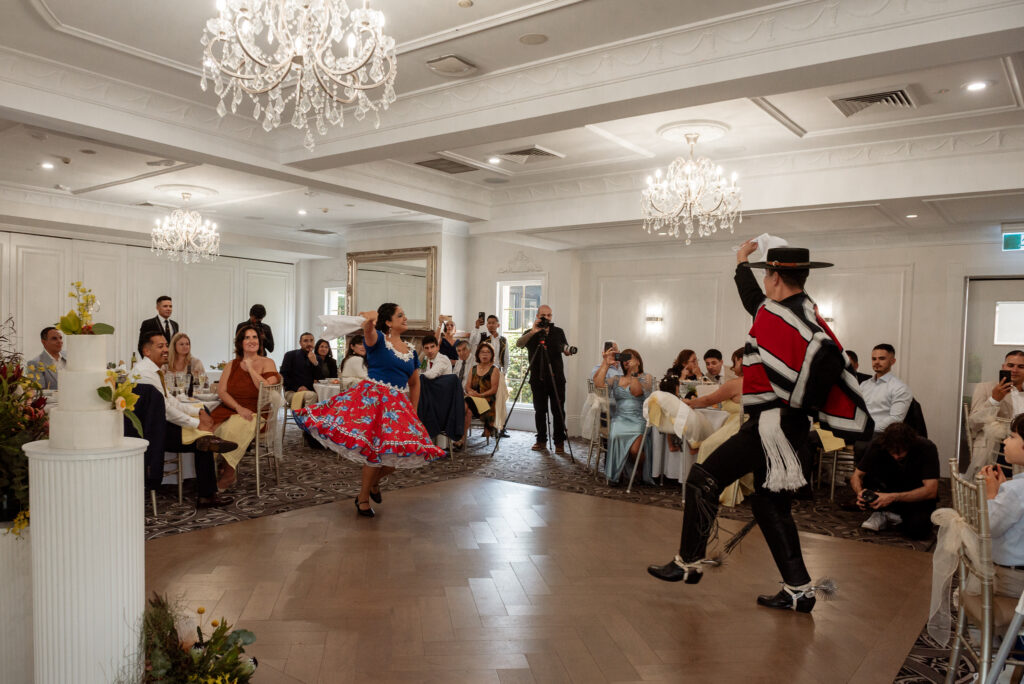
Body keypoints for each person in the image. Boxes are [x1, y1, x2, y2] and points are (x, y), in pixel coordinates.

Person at [648, 243, 872, 614]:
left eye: (765, 274)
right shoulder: (802, 313)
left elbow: (825, 361)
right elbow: (753, 300)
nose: (763, 282)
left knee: (703, 478)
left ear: (775, 277)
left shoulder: (782, 316)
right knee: (770, 505)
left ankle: (688, 561)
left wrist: (796, 398)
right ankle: (799, 590)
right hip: (788, 427)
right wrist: (741, 263)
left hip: (772, 426)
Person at [295, 303, 445, 517]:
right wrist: (370, 318)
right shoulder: (378, 340)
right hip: (372, 401)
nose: (405, 318)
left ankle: (373, 484)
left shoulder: (411, 351)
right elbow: (368, 328)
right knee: (374, 453)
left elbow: (414, 383)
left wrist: (413, 411)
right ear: (388, 322)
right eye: (400, 315)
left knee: (395, 458)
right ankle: (363, 498)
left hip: (396, 407)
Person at [135, 331, 237, 507]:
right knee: (203, 440)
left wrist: (198, 412)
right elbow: (166, 411)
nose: (165, 349)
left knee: (203, 436)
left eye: (166, 345)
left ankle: (207, 487)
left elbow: (170, 401)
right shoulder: (145, 374)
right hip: (152, 433)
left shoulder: (153, 371)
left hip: (159, 425)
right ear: (147, 351)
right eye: (160, 346)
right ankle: (207, 494)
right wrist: (197, 423)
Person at [200, 325, 282, 491]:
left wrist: (250, 368)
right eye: (247, 338)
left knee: (234, 427)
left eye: (254, 337)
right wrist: (238, 408)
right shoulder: (232, 365)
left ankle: (228, 473)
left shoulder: (267, 362)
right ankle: (206, 472)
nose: (251, 341)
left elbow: (265, 388)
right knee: (205, 429)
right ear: (240, 343)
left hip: (257, 412)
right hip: (231, 408)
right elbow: (222, 392)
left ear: (260, 341)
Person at [850, 423, 939, 539]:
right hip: (886, 489)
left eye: (900, 451)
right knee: (871, 472)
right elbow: (856, 476)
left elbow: (931, 491)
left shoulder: (926, 447)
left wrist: (893, 497)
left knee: (918, 530)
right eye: (892, 451)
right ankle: (883, 513)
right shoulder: (878, 444)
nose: (896, 456)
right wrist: (860, 493)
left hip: (914, 495)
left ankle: (896, 515)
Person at [688, 348, 749, 506]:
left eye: (734, 362)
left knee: (708, 445)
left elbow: (708, 400)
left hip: (738, 424)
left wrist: (689, 403)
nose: (732, 367)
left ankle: (708, 488)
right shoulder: (760, 381)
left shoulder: (735, 383)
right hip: (750, 424)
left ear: (741, 362)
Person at [515, 305, 572, 454]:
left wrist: (567, 350)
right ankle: (541, 440)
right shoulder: (531, 332)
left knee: (558, 410)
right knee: (540, 410)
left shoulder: (558, 332)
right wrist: (533, 332)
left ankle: (559, 442)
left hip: (556, 377)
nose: (546, 318)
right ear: (537, 316)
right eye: (543, 315)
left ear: (551, 316)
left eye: (549, 315)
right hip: (537, 378)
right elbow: (519, 344)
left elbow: (565, 348)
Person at [595, 347, 655, 486]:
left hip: (638, 419)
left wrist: (634, 373)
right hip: (620, 419)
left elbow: (635, 392)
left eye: (630, 357)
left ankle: (639, 470)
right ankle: (617, 473)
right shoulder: (616, 378)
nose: (626, 361)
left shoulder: (646, 377)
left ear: (638, 361)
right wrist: (606, 363)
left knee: (635, 451)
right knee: (615, 434)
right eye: (624, 358)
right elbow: (598, 384)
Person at [981, 414, 1024, 597]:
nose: (1005, 441)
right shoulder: (1015, 488)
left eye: (1012, 437)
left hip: (1013, 579)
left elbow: (990, 527)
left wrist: (991, 495)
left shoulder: (1015, 490)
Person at [968, 349, 1024, 476]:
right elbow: (973, 424)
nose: (1015, 370)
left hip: (1021, 455)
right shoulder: (985, 388)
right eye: (1010, 365)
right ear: (1003, 367)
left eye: (1021, 367)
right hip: (991, 451)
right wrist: (994, 400)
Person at [860, 343, 912, 435]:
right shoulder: (864, 385)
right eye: (874, 359)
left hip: (882, 435)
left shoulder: (900, 388)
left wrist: (867, 429)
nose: (876, 362)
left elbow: (895, 419)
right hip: (859, 431)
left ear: (893, 361)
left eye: (882, 358)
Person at [462, 343, 500, 443]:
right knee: (468, 411)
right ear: (478, 354)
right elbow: (467, 386)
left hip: (487, 402)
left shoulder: (494, 369)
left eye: (488, 352)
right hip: (473, 400)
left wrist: (479, 395)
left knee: (465, 403)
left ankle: (458, 436)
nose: (485, 354)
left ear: (492, 355)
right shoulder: (473, 368)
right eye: (482, 352)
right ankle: (462, 438)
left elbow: (494, 389)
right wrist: (471, 392)